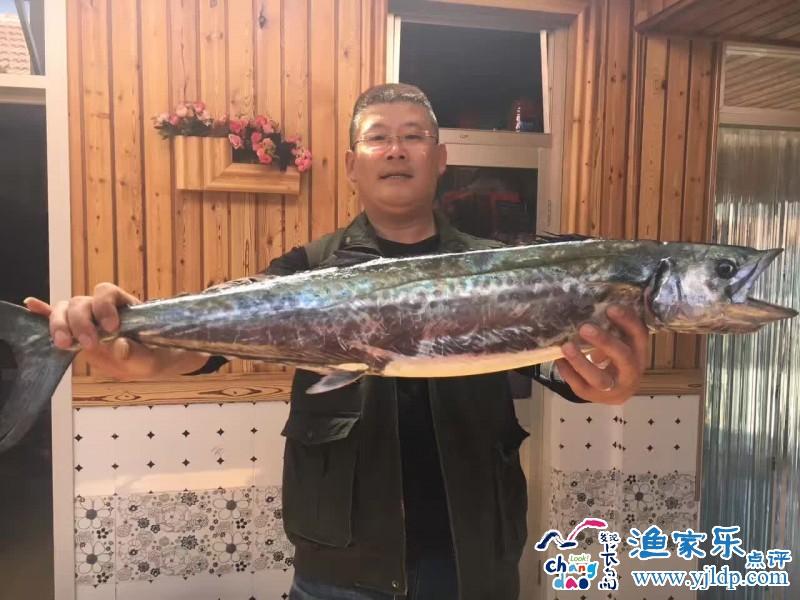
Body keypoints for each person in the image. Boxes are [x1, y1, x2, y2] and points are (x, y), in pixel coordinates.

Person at [26, 84, 648, 600]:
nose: (396, 149)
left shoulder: (507, 271)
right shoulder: (304, 269)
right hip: (339, 571)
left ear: (440, 159)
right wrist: (128, 350)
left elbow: (563, 368)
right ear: (352, 164)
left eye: (414, 136)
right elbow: (199, 350)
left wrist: (607, 383)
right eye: (378, 137)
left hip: (474, 564)